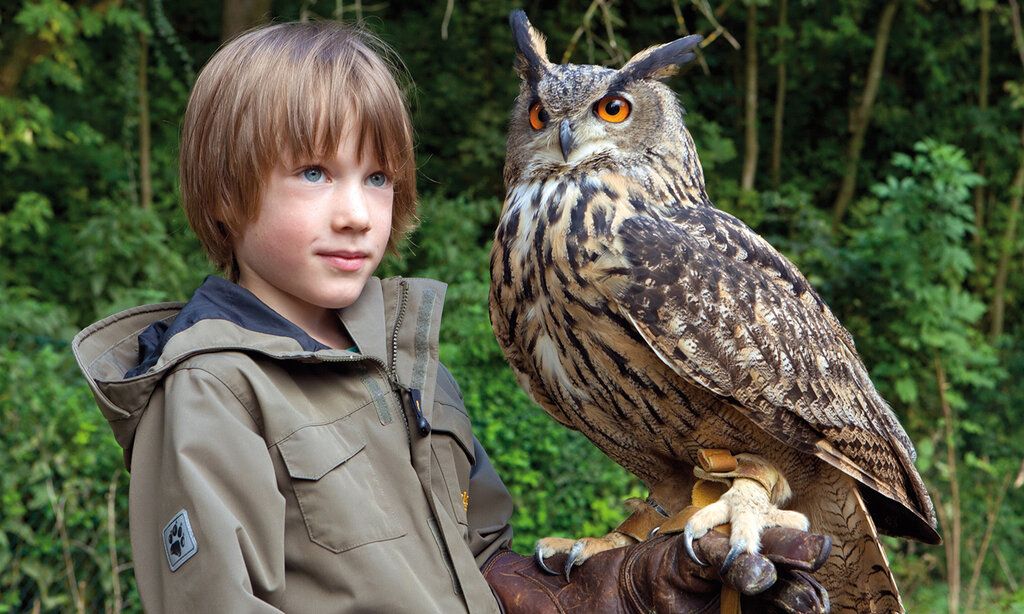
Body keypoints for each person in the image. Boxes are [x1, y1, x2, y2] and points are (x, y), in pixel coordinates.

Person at [72, 20, 830, 613]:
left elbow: (476, 569)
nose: (355, 213)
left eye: (376, 178)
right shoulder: (210, 393)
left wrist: (609, 593)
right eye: (314, 174)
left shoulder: (407, 362)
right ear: (224, 195)